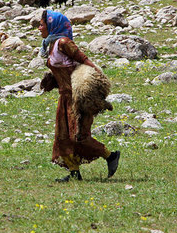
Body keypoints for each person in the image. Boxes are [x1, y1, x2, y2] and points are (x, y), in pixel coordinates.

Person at [37, 10, 120, 182]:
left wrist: (99, 76)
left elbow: (83, 59)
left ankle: (110, 156)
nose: (39, 28)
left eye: (41, 24)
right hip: (64, 97)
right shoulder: (50, 44)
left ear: (52, 25)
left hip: (78, 96)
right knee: (62, 136)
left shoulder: (63, 42)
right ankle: (75, 173)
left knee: (79, 135)